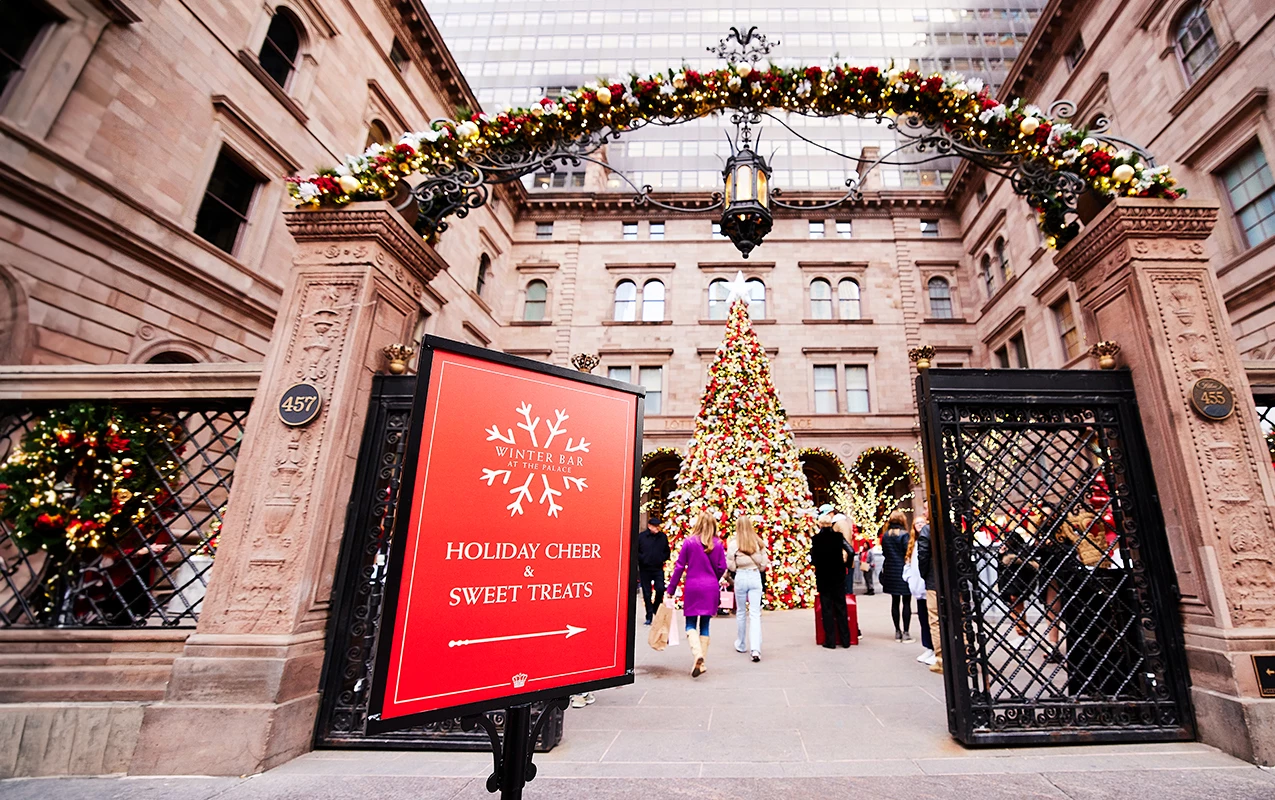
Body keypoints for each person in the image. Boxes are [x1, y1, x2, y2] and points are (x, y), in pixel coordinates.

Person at [666, 511, 728, 677]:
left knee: (690, 624)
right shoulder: (718, 544)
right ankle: (701, 662)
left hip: (693, 586)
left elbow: (679, 566)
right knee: (705, 625)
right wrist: (713, 577)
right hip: (711, 587)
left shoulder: (689, 542)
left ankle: (697, 654)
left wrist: (670, 589)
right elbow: (722, 567)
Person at [727, 515, 769, 662]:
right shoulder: (758, 543)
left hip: (741, 577)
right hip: (754, 576)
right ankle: (755, 649)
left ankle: (741, 643)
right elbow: (764, 564)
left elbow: (730, 566)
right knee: (755, 614)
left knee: (740, 612)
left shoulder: (733, 544)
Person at [810, 512, 851, 648]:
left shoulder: (816, 539)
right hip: (838, 575)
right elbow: (851, 551)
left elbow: (813, 559)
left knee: (827, 609)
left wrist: (818, 563)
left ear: (820, 524)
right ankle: (846, 640)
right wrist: (846, 565)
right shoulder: (838, 537)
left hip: (823, 577)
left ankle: (830, 641)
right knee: (841, 607)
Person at [879, 510, 913, 643]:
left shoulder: (885, 536)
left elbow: (884, 552)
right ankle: (906, 632)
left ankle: (897, 631)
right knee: (906, 602)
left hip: (890, 570)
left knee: (895, 601)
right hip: (903, 571)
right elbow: (907, 551)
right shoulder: (905, 535)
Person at [913, 516, 941, 671]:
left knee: (935, 620)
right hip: (955, 580)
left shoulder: (927, 530)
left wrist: (925, 574)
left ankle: (941, 659)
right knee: (958, 618)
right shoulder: (954, 527)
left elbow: (922, 555)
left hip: (934, 581)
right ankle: (964, 655)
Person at [636, 514, 672, 625]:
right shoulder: (641, 537)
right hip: (645, 568)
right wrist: (642, 559)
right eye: (655, 526)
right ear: (649, 526)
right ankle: (649, 615)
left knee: (660, 588)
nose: (657, 528)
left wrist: (662, 558)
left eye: (658, 526)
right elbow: (636, 551)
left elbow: (667, 551)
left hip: (657, 568)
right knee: (647, 593)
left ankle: (656, 606)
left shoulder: (662, 537)